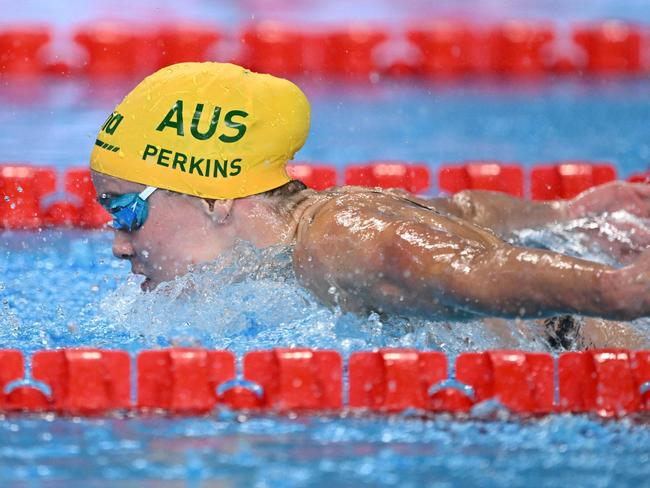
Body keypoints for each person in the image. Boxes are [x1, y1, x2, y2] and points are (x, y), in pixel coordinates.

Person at [90, 62, 650, 349]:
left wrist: (620, 292)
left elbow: (479, 267)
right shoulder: (333, 216)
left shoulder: (339, 242)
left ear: (214, 198)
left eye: (124, 211)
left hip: (609, 364)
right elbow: (464, 212)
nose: (119, 244)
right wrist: (565, 216)